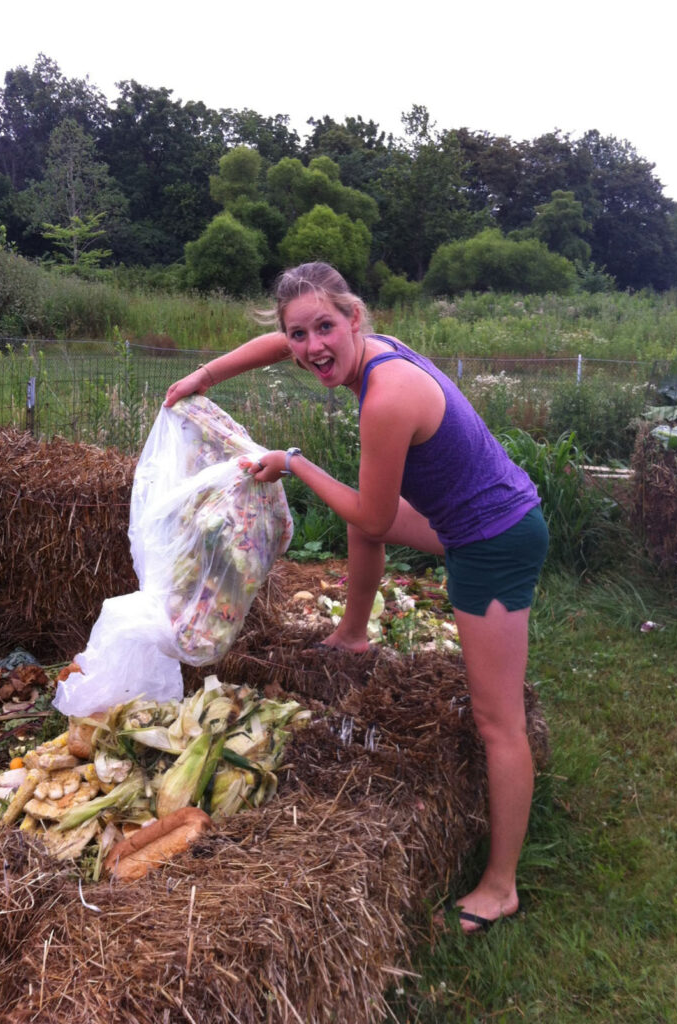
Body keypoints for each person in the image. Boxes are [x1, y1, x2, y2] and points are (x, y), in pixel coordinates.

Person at [164, 262, 548, 933]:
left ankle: (499, 885)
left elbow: (375, 519)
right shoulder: (362, 354)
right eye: (298, 333)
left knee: (497, 720)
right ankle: (352, 634)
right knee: (355, 513)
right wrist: (203, 378)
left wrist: (294, 463)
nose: (312, 345)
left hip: (493, 540)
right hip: (463, 519)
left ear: (354, 319)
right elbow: (273, 345)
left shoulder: (387, 395)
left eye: (324, 327)